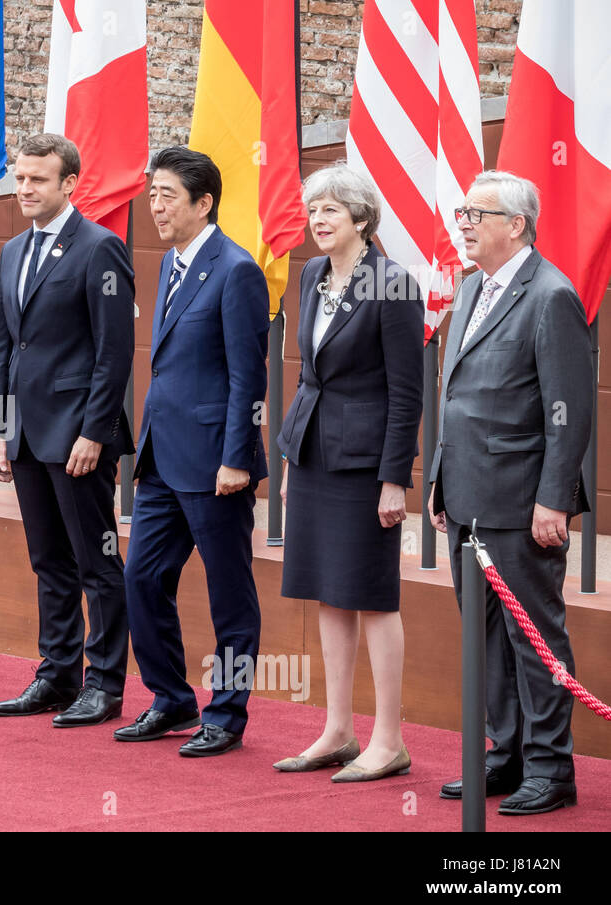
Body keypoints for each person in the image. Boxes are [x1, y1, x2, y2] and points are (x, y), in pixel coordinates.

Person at [428, 170, 592, 816]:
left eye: (476, 213)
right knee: (487, 640)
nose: (463, 222)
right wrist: (441, 477)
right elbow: (455, 394)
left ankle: (551, 768)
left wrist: (554, 498)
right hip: (467, 497)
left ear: (516, 225)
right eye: (463, 211)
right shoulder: (472, 291)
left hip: (522, 505)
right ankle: (504, 755)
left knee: (535, 639)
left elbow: (568, 408)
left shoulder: (550, 294)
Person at [272, 164, 422, 781]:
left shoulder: (394, 284)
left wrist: (394, 478)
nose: (318, 221)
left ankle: (389, 740)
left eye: (331, 210)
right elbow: (311, 374)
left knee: (371, 595)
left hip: (365, 464)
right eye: (313, 211)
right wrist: (289, 458)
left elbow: (406, 393)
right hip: (312, 453)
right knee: (327, 592)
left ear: (362, 218)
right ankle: (338, 730)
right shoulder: (310, 274)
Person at [0, 133, 134, 727]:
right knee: (49, 561)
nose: (24, 189)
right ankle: (55, 675)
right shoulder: (14, 249)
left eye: (37, 180)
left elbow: (113, 353)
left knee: (96, 562)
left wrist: (94, 433)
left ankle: (104, 684)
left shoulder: (102, 249)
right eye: (19, 178)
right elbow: (1, 346)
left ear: (69, 184)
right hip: (23, 435)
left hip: (78, 438)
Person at [121, 147, 268, 754]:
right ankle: (171, 698)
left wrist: (236, 456)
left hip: (215, 465)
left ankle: (227, 716)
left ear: (203, 202)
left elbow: (247, 375)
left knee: (228, 591)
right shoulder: (172, 263)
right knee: (142, 577)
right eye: (151, 194)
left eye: (168, 196)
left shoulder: (235, 269)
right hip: (162, 459)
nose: (155, 206)